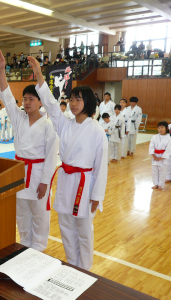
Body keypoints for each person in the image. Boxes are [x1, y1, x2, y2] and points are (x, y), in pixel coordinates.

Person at [26, 53, 108, 270]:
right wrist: (39, 75)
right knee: (65, 226)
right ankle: (72, 264)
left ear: (88, 102)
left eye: (78, 99)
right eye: (71, 99)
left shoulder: (97, 131)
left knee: (83, 228)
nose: (73, 103)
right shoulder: (65, 124)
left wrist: (97, 196)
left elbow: (101, 168)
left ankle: (85, 268)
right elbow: (52, 106)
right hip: (66, 180)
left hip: (85, 183)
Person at [0, 49, 58, 252]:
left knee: (39, 215)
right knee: (21, 215)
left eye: (32, 98)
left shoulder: (48, 125)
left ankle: (39, 248)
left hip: (39, 174)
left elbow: (51, 156)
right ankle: (24, 246)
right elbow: (6, 96)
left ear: (41, 101)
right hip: (20, 173)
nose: (27, 102)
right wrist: (1, 70)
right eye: (25, 98)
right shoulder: (19, 118)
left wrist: (45, 182)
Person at [149, 122, 171, 190]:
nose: (160, 129)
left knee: (162, 171)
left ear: (167, 128)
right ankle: (155, 184)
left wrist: (162, 157)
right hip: (155, 156)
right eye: (159, 128)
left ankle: (161, 185)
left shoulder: (169, 138)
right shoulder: (154, 137)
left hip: (163, 157)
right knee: (154, 171)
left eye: (162, 127)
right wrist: (153, 156)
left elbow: (168, 149)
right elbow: (151, 146)